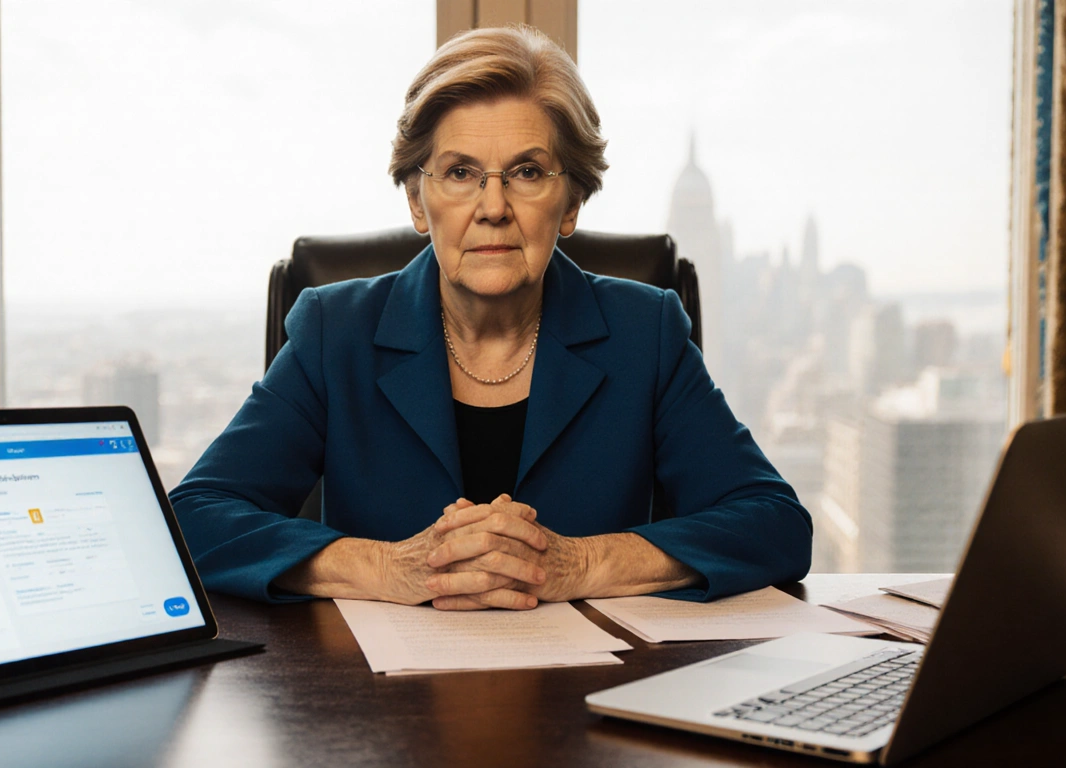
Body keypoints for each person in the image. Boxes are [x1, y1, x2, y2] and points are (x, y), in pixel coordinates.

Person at [169, 25, 811, 611]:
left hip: (588, 705)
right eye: (460, 173)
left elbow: (774, 523)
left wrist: (581, 563)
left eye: (527, 172)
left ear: (571, 203)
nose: (494, 206)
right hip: (379, 710)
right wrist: (388, 567)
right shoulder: (334, 331)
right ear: (420, 203)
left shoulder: (647, 332)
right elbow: (195, 517)